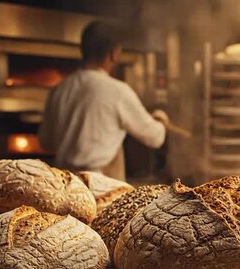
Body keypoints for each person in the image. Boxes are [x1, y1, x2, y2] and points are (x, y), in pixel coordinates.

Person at [39, 21, 169, 180]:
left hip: (61, 181)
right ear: (114, 53)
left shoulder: (59, 90)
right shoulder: (117, 91)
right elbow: (154, 137)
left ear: (83, 50)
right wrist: (161, 120)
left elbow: (46, 142)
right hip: (99, 186)